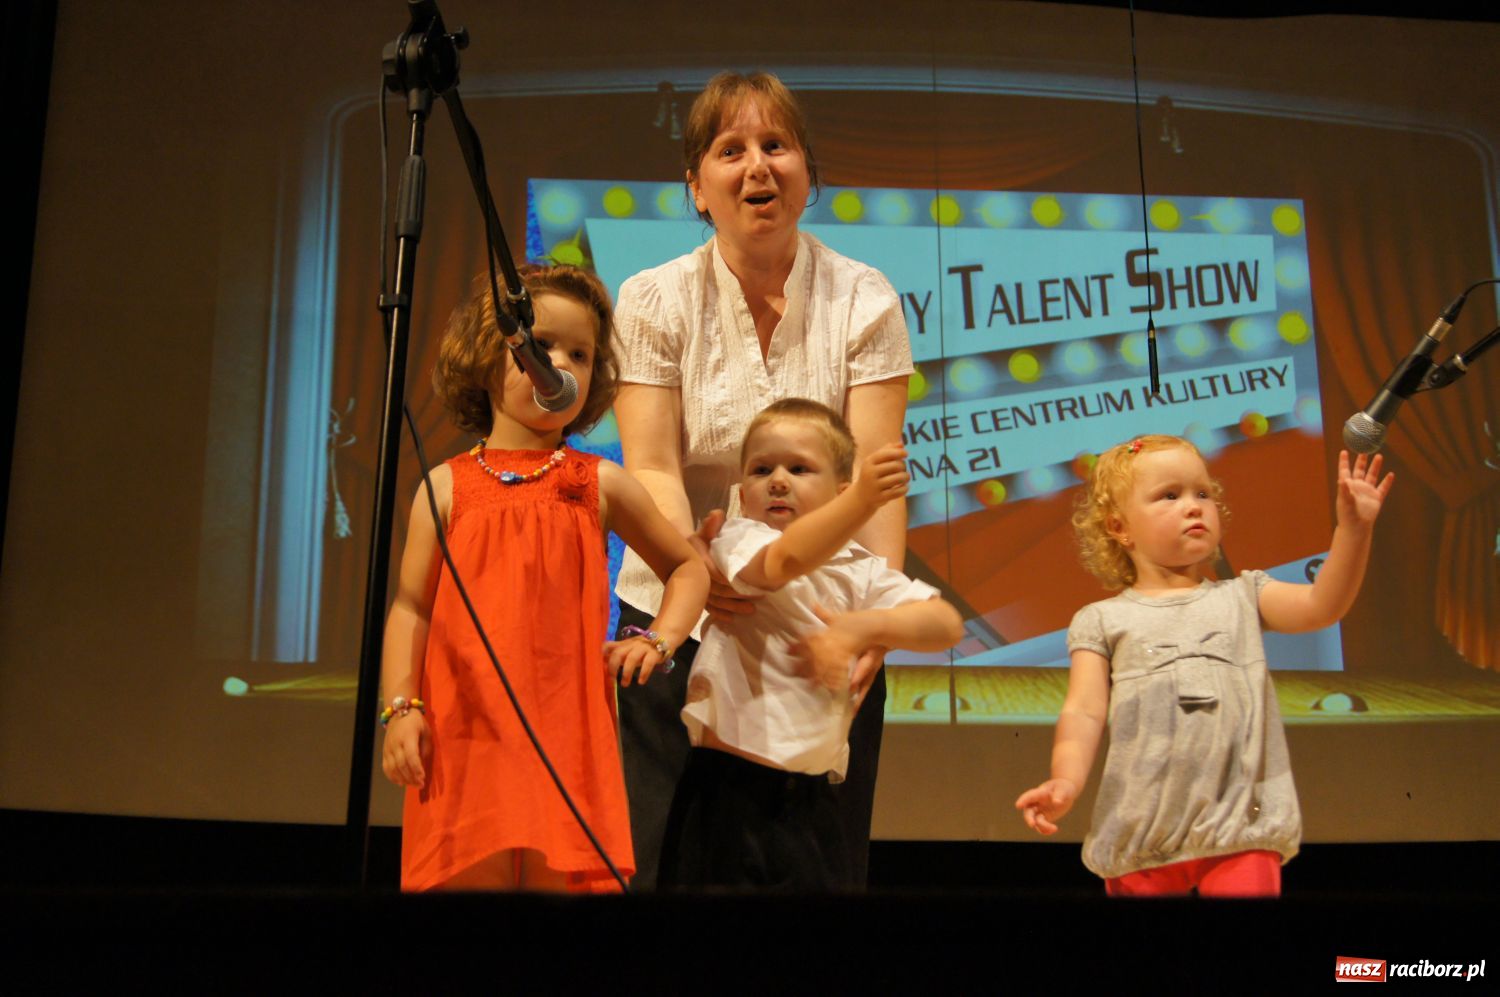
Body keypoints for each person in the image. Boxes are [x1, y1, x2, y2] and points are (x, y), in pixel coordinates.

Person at [612, 70, 913, 888]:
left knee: (814, 868)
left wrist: (874, 624)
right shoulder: (650, 299)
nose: (758, 167)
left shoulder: (865, 298)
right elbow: (652, 466)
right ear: (696, 187)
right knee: (668, 865)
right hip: (679, 615)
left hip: (819, 621)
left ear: (808, 174)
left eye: (777, 146)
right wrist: (696, 571)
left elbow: (877, 481)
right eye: (730, 149)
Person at [380, 265, 708, 892]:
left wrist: (659, 639)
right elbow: (411, 608)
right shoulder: (445, 488)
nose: (559, 365)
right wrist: (401, 709)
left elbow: (687, 566)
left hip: (566, 735)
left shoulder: (597, 482)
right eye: (540, 346)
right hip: (463, 735)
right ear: (484, 355)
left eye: (579, 354)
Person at [1015, 435, 1394, 897]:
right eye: (1169, 496)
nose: (1193, 506)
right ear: (1119, 528)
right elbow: (1084, 712)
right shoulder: (1103, 620)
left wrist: (1352, 531)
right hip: (1144, 832)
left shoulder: (1244, 596)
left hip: (1239, 827)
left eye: (1203, 494)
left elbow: (1321, 606)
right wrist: (1066, 780)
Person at [659, 400, 963, 889]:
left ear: (838, 490)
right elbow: (784, 562)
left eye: (799, 468)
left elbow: (945, 624)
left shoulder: (857, 568)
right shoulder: (742, 540)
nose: (778, 480)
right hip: (728, 790)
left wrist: (864, 629)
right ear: (742, 492)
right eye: (762, 470)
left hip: (812, 798)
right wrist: (863, 501)